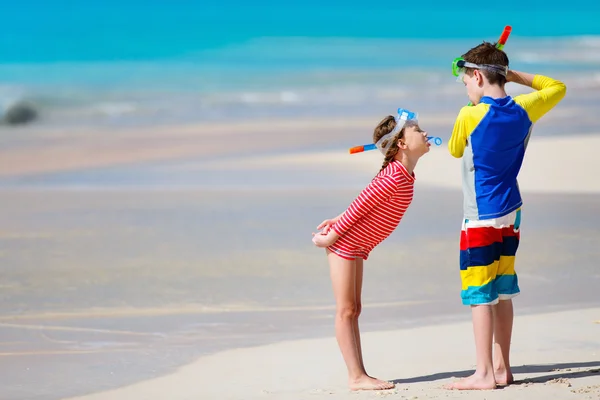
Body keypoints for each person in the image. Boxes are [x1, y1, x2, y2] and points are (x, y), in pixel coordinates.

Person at [446, 42, 567, 390]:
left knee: (479, 294)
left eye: (467, 81)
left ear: (479, 76)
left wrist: (476, 101)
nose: (466, 88)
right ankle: (503, 368)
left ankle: (484, 373)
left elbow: (456, 150)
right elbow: (556, 87)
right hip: (511, 212)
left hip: (481, 215)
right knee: (502, 290)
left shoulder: (469, 114)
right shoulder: (525, 107)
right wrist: (511, 75)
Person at [312, 109, 430, 391]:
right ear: (401, 143)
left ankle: (360, 374)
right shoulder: (393, 177)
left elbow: (364, 202)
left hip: (357, 245)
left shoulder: (403, 174)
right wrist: (332, 236)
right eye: (417, 131)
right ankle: (356, 377)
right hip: (344, 244)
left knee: (355, 309)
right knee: (346, 310)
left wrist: (338, 219)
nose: (425, 134)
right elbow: (360, 206)